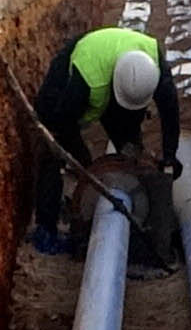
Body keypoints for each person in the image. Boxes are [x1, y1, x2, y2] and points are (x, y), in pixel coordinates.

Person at [29, 24, 182, 252]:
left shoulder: (153, 68)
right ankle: (46, 228)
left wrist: (170, 154)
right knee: (54, 144)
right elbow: (63, 123)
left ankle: (140, 209)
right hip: (79, 66)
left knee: (130, 147)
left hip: (113, 73)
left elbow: (170, 111)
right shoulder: (84, 83)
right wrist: (86, 167)